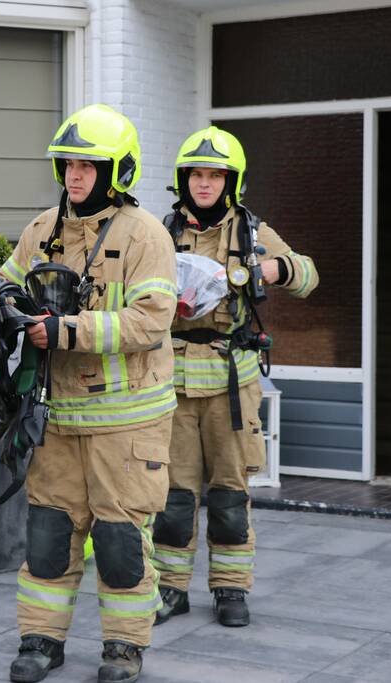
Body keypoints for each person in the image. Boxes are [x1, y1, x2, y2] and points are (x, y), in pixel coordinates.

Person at [0, 104, 177, 683]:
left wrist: (67, 330)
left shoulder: (145, 234)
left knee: (122, 541)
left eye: (88, 165)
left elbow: (151, 320)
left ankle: (124, 648)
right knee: (49, 534)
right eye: (68, 164)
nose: (75, 175)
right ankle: (40, 641)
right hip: (57, 418)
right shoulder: (42, 229)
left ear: (117, 170)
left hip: (127, 425)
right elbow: (4, 282)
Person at [151, 126, 318, 628]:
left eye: (215, 175)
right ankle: (170, 589)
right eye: (196, 175)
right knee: (174, 498)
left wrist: (271, 270)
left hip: (231, 385)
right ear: (184, 180)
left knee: (228, 494)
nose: (205, 184)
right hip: (174, 382)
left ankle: (230, 590)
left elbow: (308, 275)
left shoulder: (251, 231)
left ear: (231, 181)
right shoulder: (160, 232)